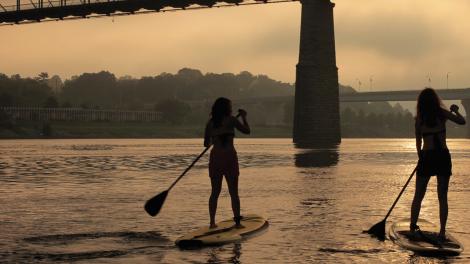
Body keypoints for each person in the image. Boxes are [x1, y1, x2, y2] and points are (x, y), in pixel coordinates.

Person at [410, 88, 466, 241]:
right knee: (442, 196)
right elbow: (462, 121)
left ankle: (412, 227)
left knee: (418, 195)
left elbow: (418, 142)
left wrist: (420, 157)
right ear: (435, 100)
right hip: (442, 156)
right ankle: (442, 231)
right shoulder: (442, 114)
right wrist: (455, 111)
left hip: (427, 156)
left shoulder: (419, 119)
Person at [204, 97, 250, 228]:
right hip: (229, 158)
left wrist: (215, 138)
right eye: (230, 106)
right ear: (227, 108)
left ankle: (212, 222)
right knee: (233, 192)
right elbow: (247, 131)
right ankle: (237, 222)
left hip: (216, 158)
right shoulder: (232, 120)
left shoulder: (210, 123)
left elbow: (205, 144)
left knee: (215, 192)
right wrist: (244, 117)